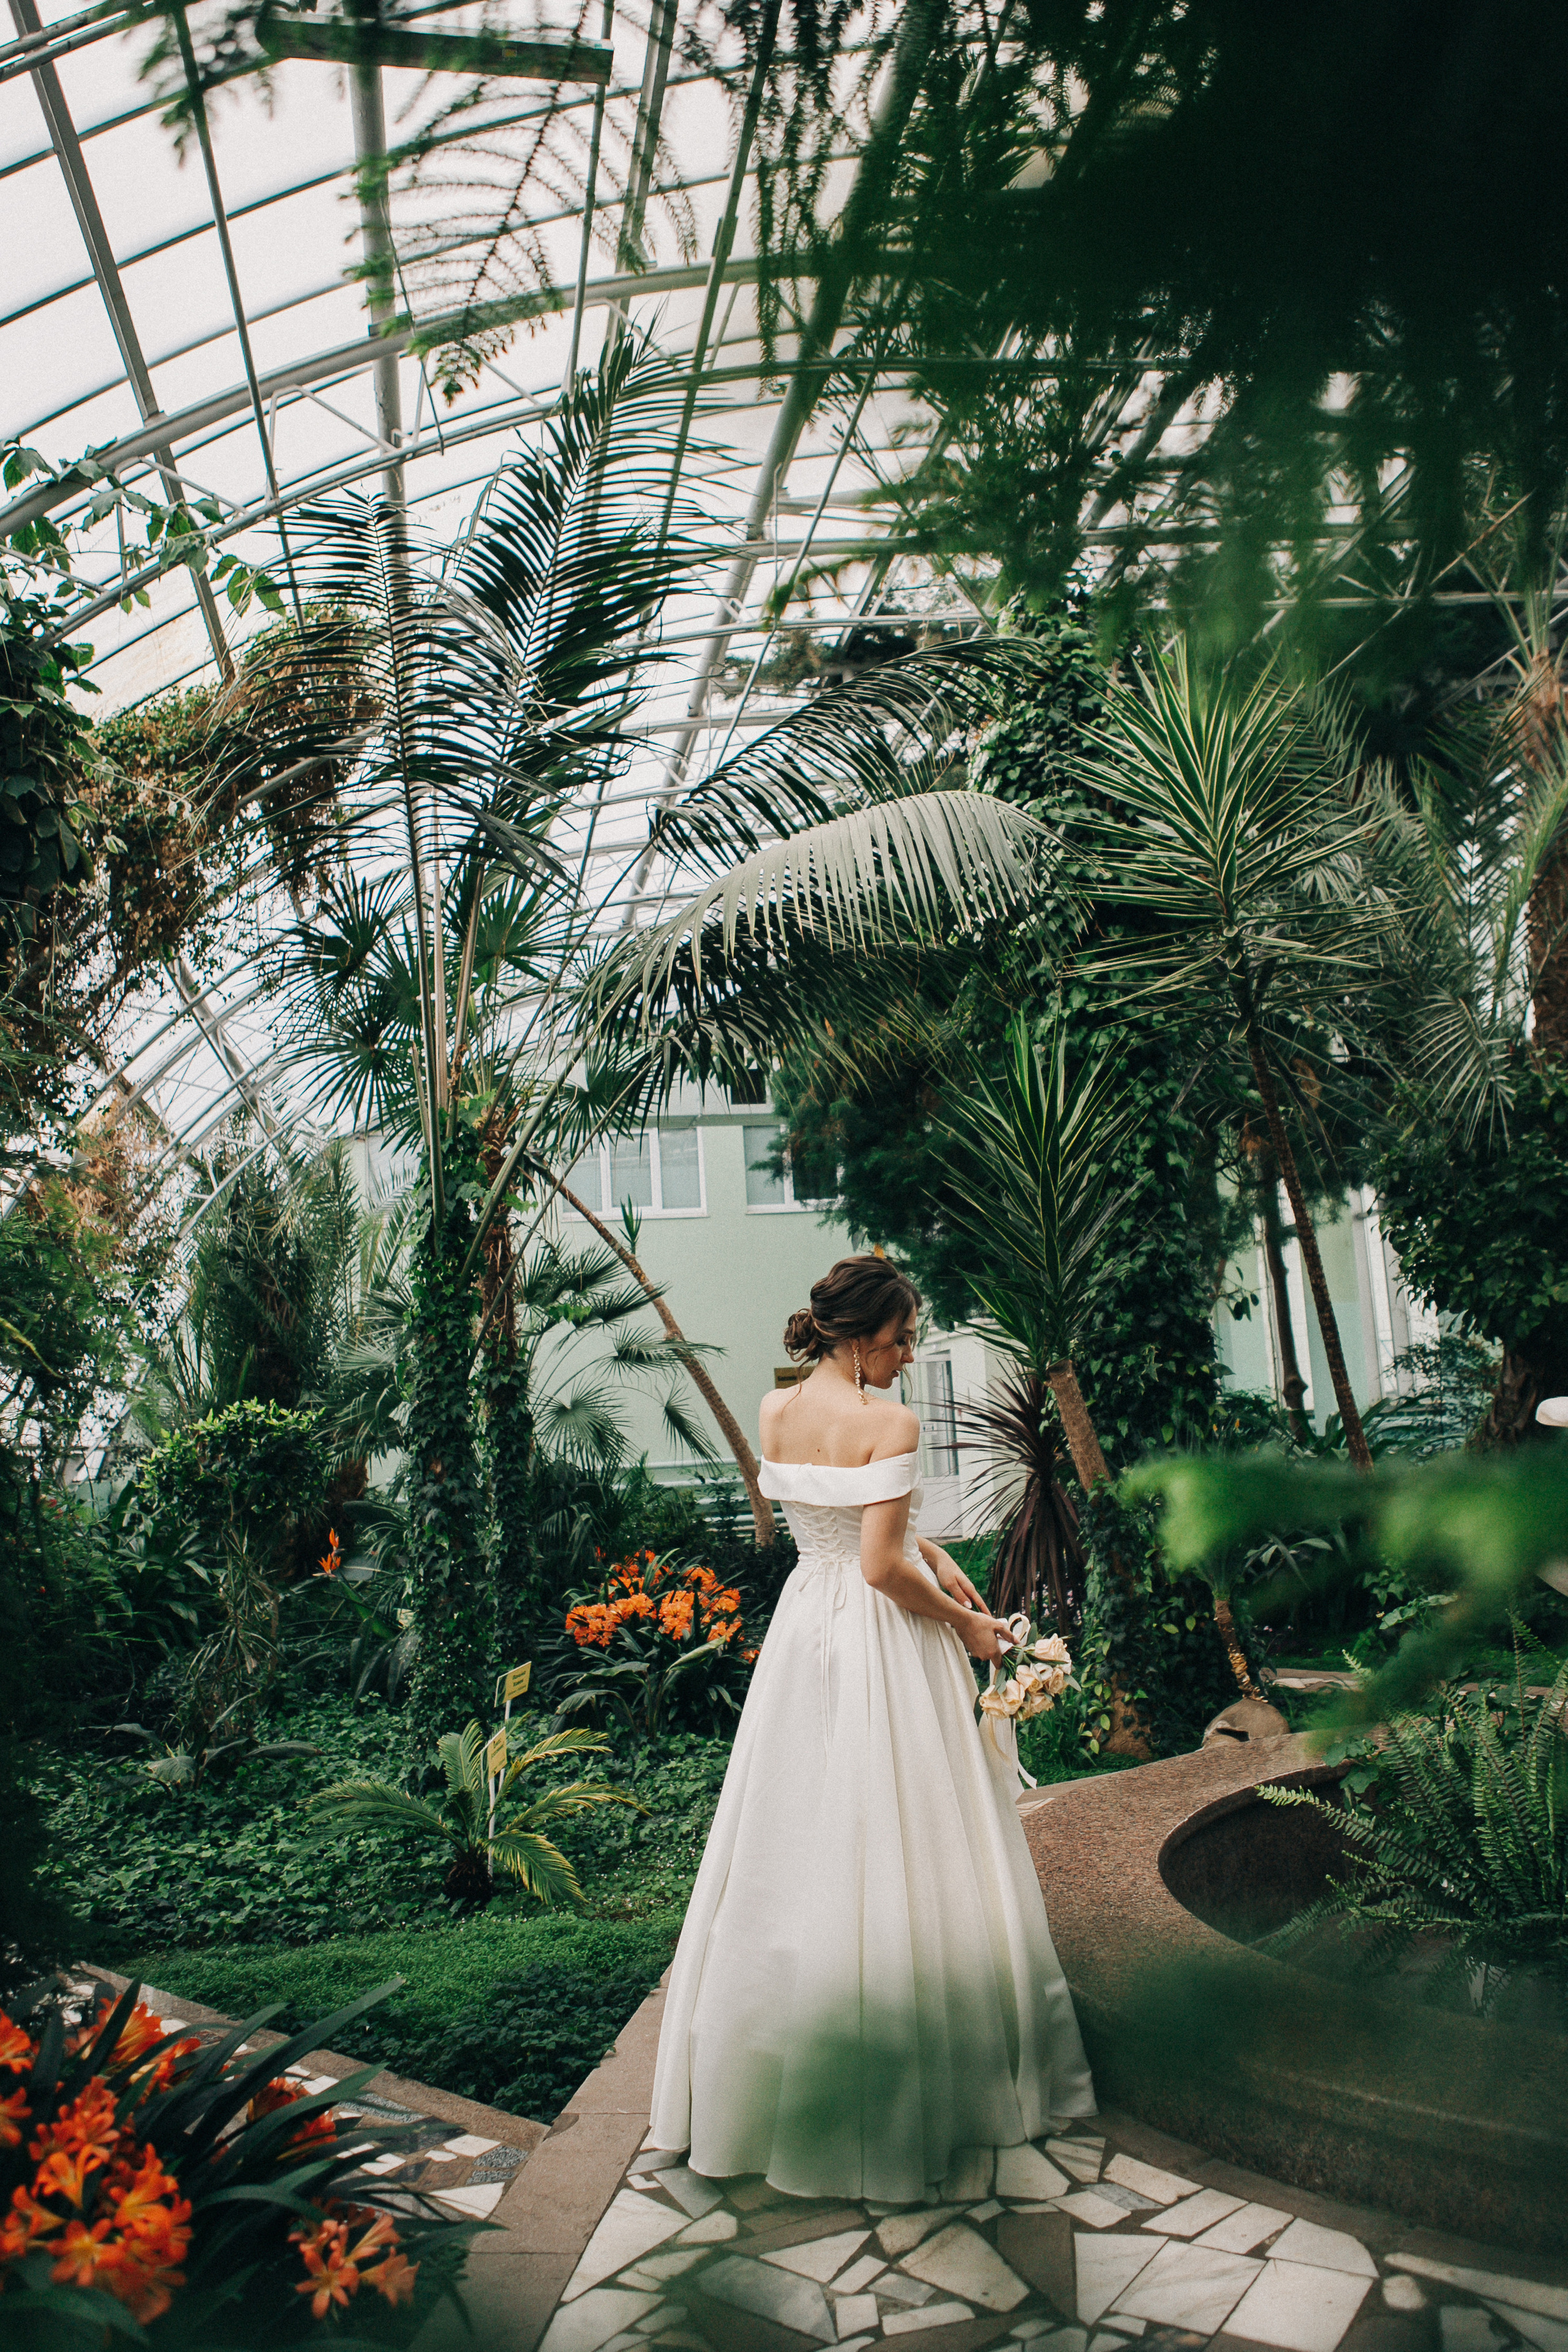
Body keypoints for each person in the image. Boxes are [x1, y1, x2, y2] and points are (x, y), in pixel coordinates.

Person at [647, 1253, 1095, 2203]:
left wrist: (929, 1546)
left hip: (806, 1624)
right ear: (858, 1336)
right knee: (904, 1818)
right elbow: (882, 1569)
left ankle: (761, 2077)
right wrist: (967, 1624)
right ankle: (917, 2072)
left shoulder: (776, 1408)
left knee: (797, 1825)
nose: (907, 1354)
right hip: (879, 1634)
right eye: (900, 1338)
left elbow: (832, 1517)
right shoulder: (890, 1422)